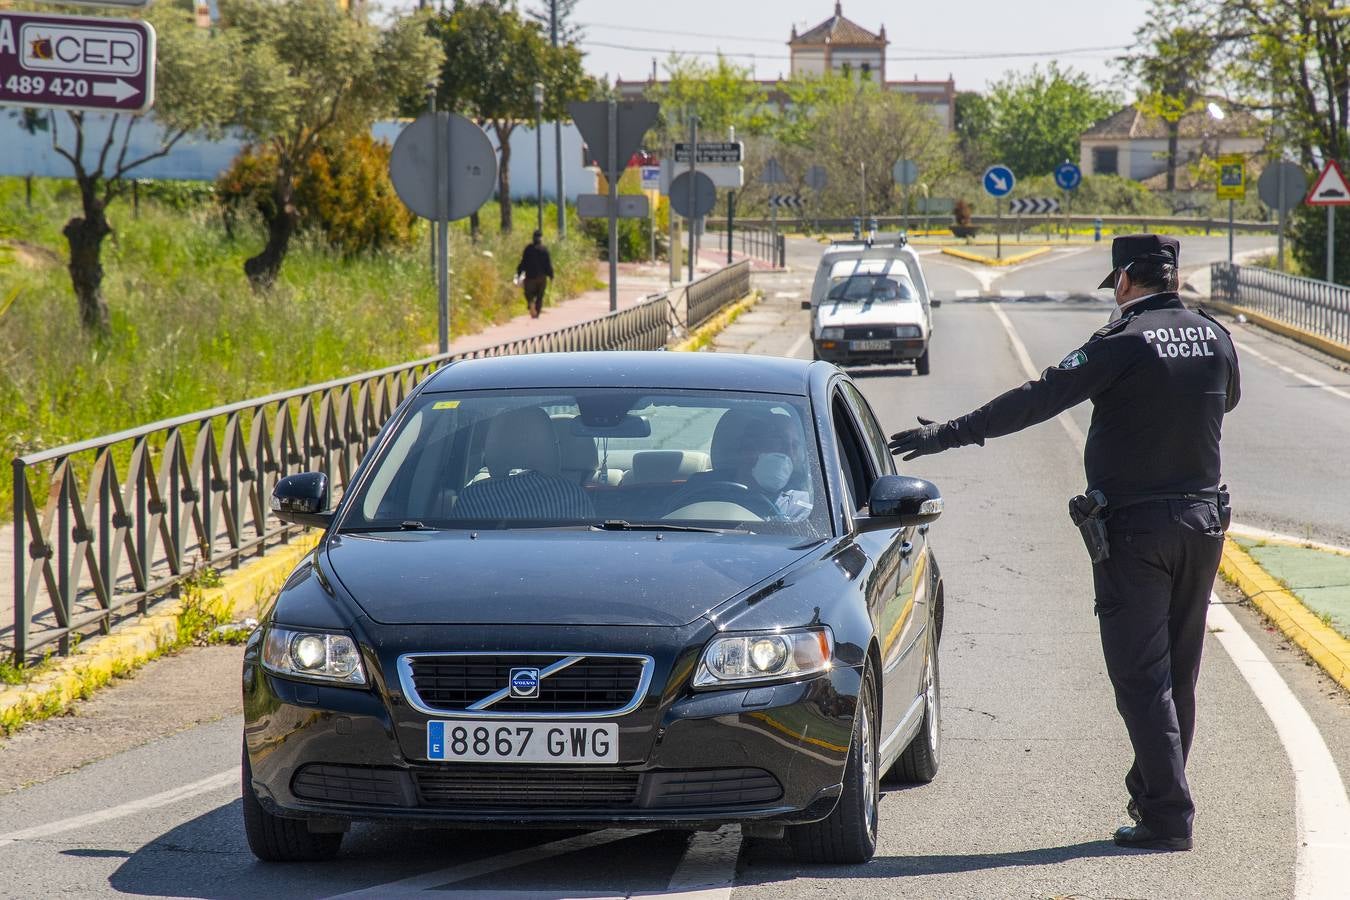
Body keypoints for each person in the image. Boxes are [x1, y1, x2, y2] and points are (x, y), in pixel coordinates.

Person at [888, 235, 1240, 852]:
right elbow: (1227, 400)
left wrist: (946, 435)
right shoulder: (1214, 336)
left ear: (1126, 280)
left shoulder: (1123, 341)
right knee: (1179, 670)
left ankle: (1168, 815)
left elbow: (1039, 398)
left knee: (1139, 675)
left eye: (1117, 284)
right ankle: (1156, 792)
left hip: (1137, 531)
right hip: (1205, 524)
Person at [516, 229, 554, 319]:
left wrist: (519, 273)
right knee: (540, 296)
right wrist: (551, 275)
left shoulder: (528, 249)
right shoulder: (544, 250)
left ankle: (531, 303)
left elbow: (523, 262)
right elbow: (548, 264)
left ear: (533, 238)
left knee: (528, 294)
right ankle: (536, 313)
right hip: (541, 278)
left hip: (530, 278)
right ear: (541, 238)